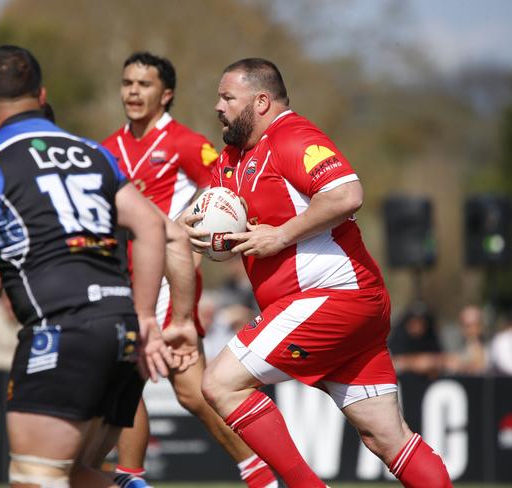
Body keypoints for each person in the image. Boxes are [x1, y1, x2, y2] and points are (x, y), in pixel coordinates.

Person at [0, 45, 196, 488]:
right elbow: (153, 227)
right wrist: (145, 318)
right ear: (41, 95)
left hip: (61, 332)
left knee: (35, 478)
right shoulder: (93, 153)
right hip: (121, 330)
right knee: (76, 474)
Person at [180, 58, 453, 487]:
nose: (218, 106)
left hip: (336, 296)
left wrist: (280, 236)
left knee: (219, 383)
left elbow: (347, 194)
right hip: (343, 308)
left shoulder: (291, 136)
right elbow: (197, 215)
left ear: (262, 101)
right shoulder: (233, 158)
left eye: (228, 97)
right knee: (386, 438)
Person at [102, 51, 277, 488]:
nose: (133, 92)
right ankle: (134, 477)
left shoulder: (184, 142)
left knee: (188, 391)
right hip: (118, 282)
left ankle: (258, 471)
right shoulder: (105, 150)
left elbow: (225, 192)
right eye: (127, 83)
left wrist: (196, 254)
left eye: (144, 84)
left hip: (166, 284)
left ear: (167, 94)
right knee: (133, 387)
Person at [388, 302, 445, 378]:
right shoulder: (398, 337)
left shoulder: (430, 336)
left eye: (421, 322)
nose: (418, 326)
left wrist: (431, 362)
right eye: (414, 322)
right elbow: (392, 361)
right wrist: (414, 363)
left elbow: (441, 357)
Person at [444, 304, 487, 375]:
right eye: (468, 326)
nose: (472, 330)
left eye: (476, 325)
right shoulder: (452, 343)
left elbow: (482, 366)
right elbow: (451, 364)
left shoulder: (491, 343)